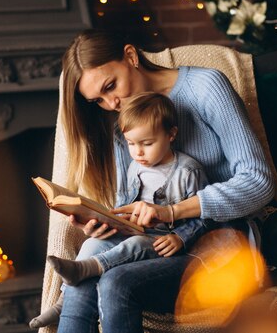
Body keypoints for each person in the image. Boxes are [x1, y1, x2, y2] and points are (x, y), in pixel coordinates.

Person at [42, 29, 276, 333]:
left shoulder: (206, 87)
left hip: (218, 240)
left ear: (130, 56)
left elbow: (259, 181)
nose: (111, 103)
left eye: (111, 86)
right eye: (97, 100)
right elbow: (134, 200)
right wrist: (107, 221)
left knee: (115, 282)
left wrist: (174, 212)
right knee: (87, 266)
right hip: (154, 242)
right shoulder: (124, 125)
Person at [30, 92, 215, 329]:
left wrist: (180, 237)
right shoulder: (134, 168)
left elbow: (207, 216)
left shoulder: (188, 172)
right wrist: (106, 220)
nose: (138, 152)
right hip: (135, 233)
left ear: (171, 134)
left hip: (163, 246)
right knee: (90, 245)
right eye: (131, 144)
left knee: (136, 245)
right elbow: (124, 205)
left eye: (147, 143)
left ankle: (89, 269)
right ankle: (62, 303)